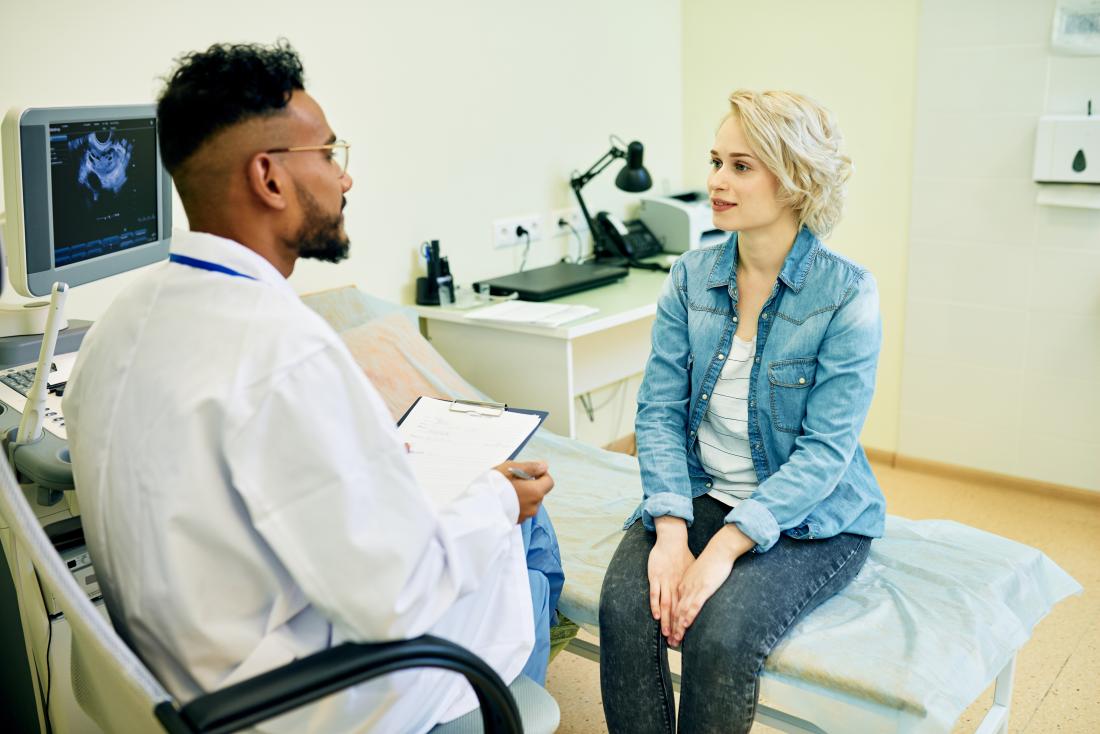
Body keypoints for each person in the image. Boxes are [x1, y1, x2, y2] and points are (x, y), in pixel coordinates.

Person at [63, 40, 563, 733]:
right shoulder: (282, 349)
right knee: (527, 531)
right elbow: (395, 597)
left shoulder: (118, 322)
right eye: (329, 155)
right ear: (269, 179)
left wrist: (375, 468)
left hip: (181, 676)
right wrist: (495, 497)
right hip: (300, 699)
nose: (344, 180)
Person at [598, 90, 886, 733]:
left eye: (741, 166)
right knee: (626, 608)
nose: (715, 181)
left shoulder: (846, 294)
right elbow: (660, 412)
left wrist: (724, 548)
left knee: (721, 637)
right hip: (701, 490)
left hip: (814, 515)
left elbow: (825, 453)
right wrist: (671, 530)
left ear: (795, 182)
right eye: (715, 161)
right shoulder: (690, 277)